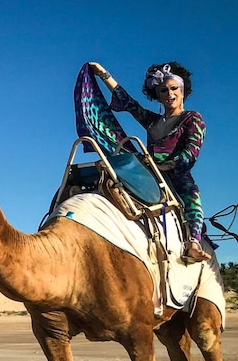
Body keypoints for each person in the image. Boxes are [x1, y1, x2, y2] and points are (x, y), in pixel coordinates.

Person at [89, 61, 210, 262]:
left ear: (182, 90)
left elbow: (191, 152)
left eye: (173, 88)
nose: (169, 93)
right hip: (148, 172)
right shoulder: (153, 121)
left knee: (192, 200)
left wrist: (166, 165)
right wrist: (104, 75)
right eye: (163, 90)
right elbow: (130, 104)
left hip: (175, 174)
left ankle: (193, 244)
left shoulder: (192, 118)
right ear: (158, 95)